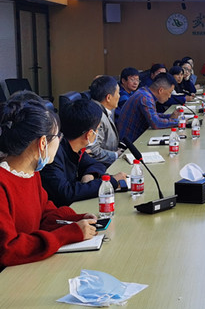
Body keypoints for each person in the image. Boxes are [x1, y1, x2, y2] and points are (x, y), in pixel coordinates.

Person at [0, 96, 99, 267]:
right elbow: (8, 250)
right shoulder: (3, 183)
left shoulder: (31, 172)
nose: (60, 140)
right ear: (43, 143)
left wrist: (73, 220)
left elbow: (44, 212)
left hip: (28, 267)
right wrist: (66, 234)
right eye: (57, 136)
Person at [40, 99, 127, 207]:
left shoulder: (74, 147)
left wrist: (89, 174)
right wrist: (111, 182)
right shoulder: (53, 154)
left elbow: (95, 164)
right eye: (98, 129)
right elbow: (66, 193)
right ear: (89, 134)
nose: (97, 132)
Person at [117, 72, 182, 143]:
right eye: (170, 92)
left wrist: (169, 116)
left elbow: (153, 115)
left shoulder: (145, 92)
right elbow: (156, 123)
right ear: (160, 90)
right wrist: (179, 122)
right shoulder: (146, 97)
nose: (169, 96)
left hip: (135, 139)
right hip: (130, 143)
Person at [88, 76, 122, 167]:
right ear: (108, 98)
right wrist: (115, 155)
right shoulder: (97, 116)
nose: (119, 96)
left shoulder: (101, 109)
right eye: (118, 93)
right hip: (101, 168)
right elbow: (92, 151)